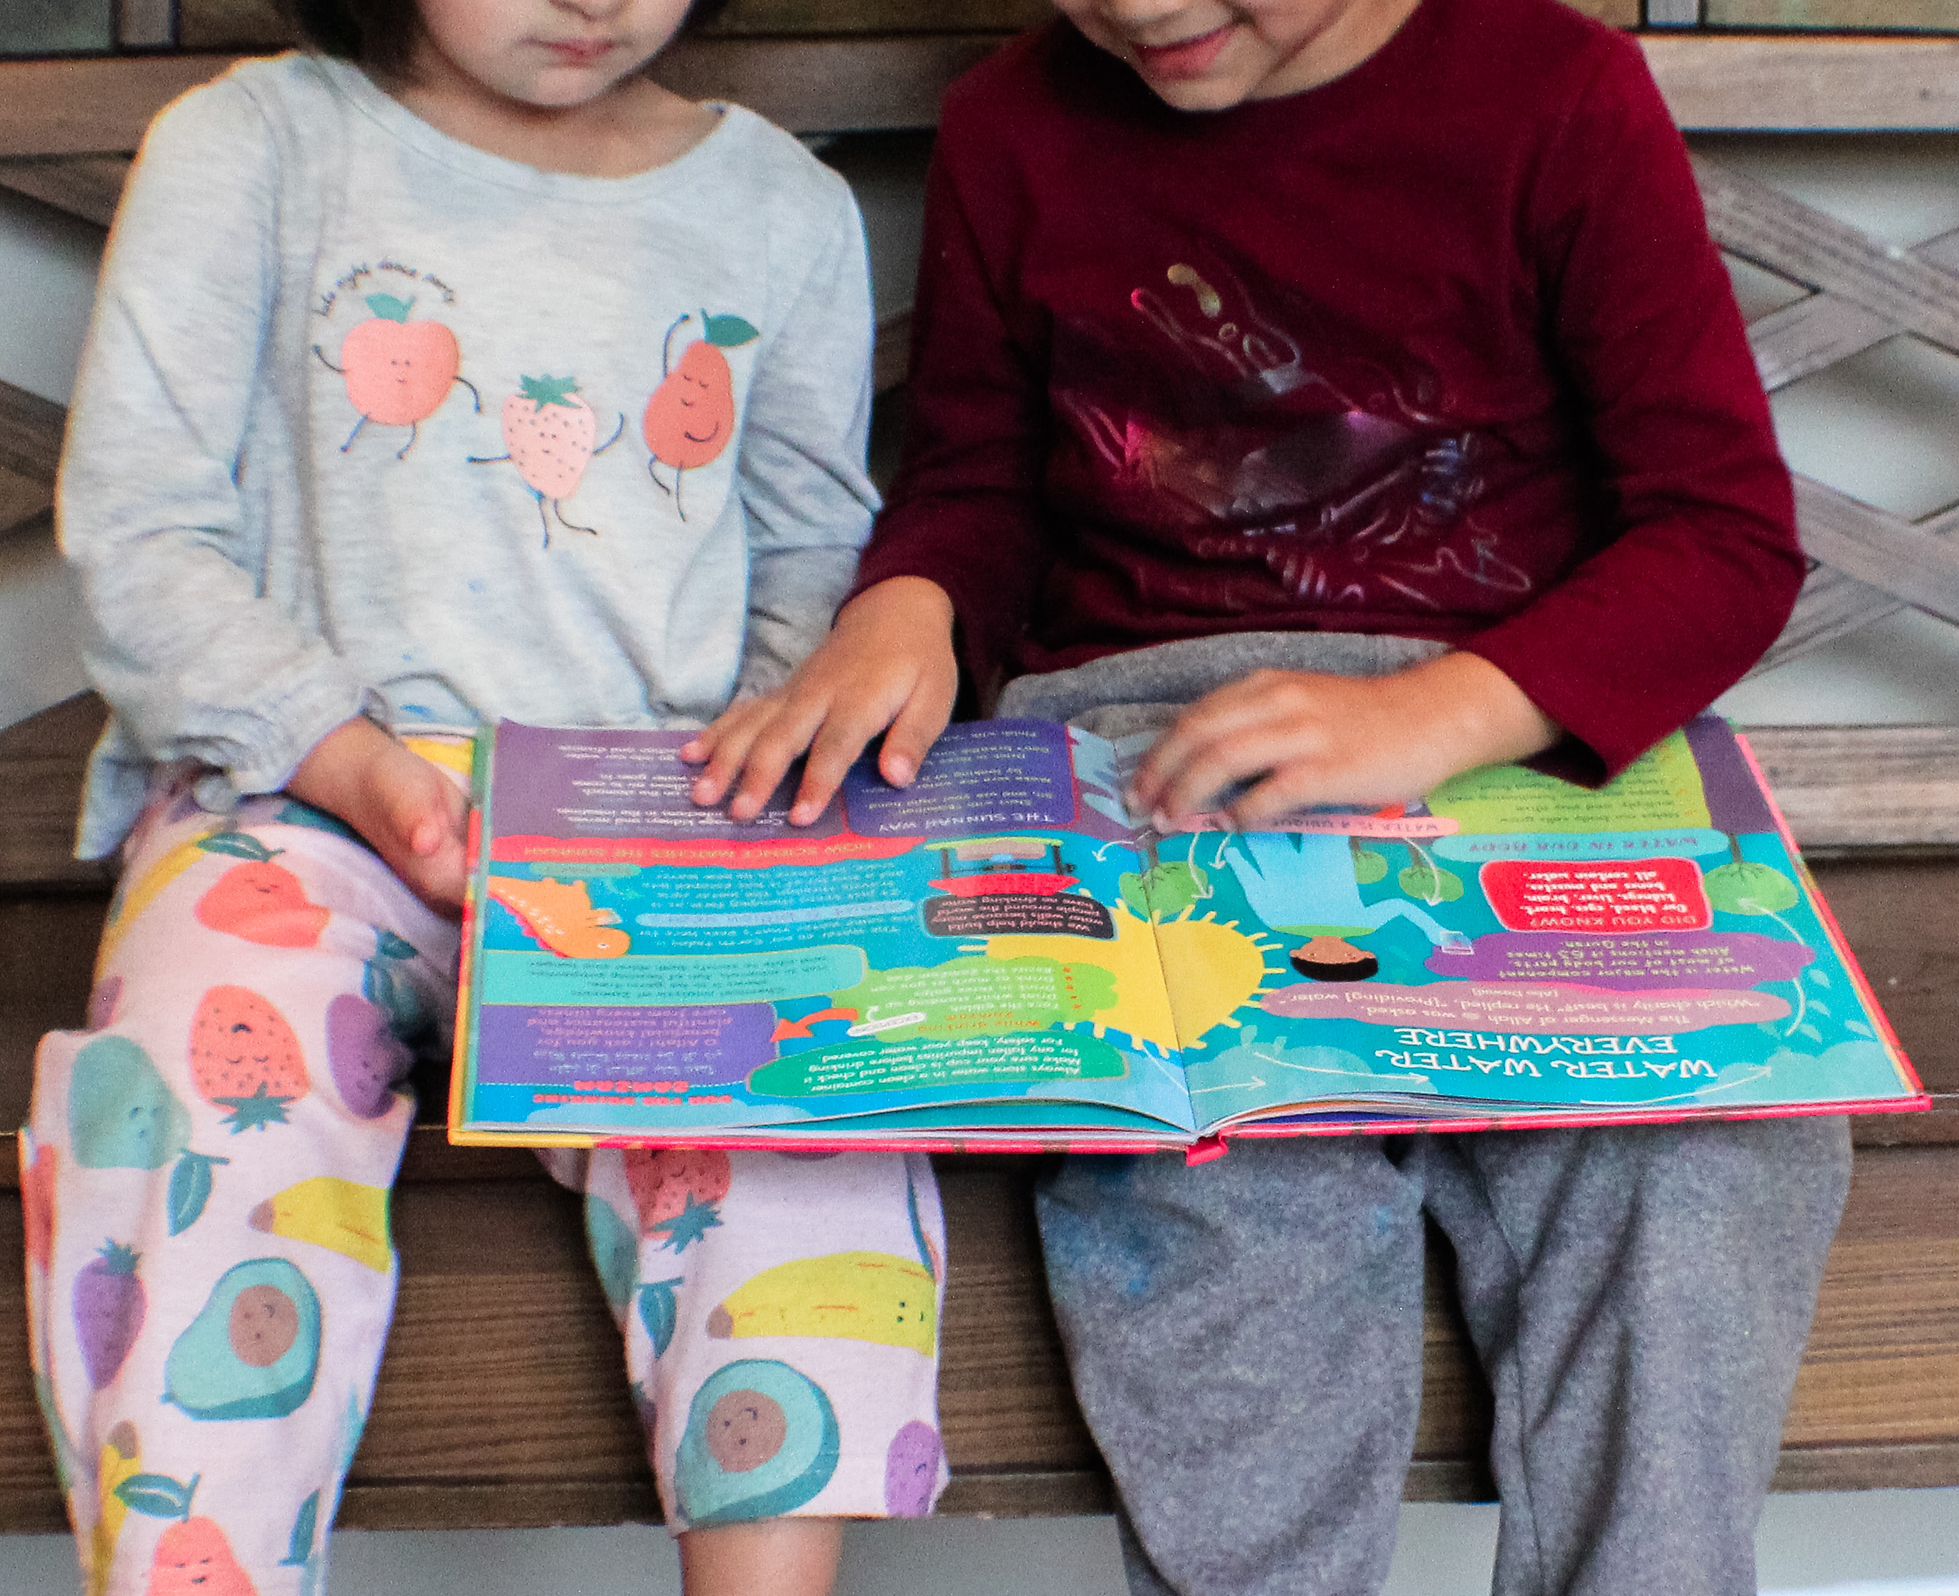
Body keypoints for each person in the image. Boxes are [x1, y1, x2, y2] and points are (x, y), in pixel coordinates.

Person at [686, 1, 1850, 1592]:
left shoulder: (1555, 88)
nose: (1146, 7)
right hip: (1157, 766)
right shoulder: (1018, 125)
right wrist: (912, 599)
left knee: (1707, 1162)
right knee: (1213, 1186)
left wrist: (1435, 714)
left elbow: (1721, 537)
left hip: (1515, 754)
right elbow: (978, 486)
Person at [23, 0, 947, 1591]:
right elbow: (141, 534)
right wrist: (349, 759)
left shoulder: (774, 202)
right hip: (300, 802)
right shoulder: (258, 145)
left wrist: (742, 765)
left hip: (649, 827)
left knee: (809, 1127)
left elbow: (809, 560)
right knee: (193, 1099)